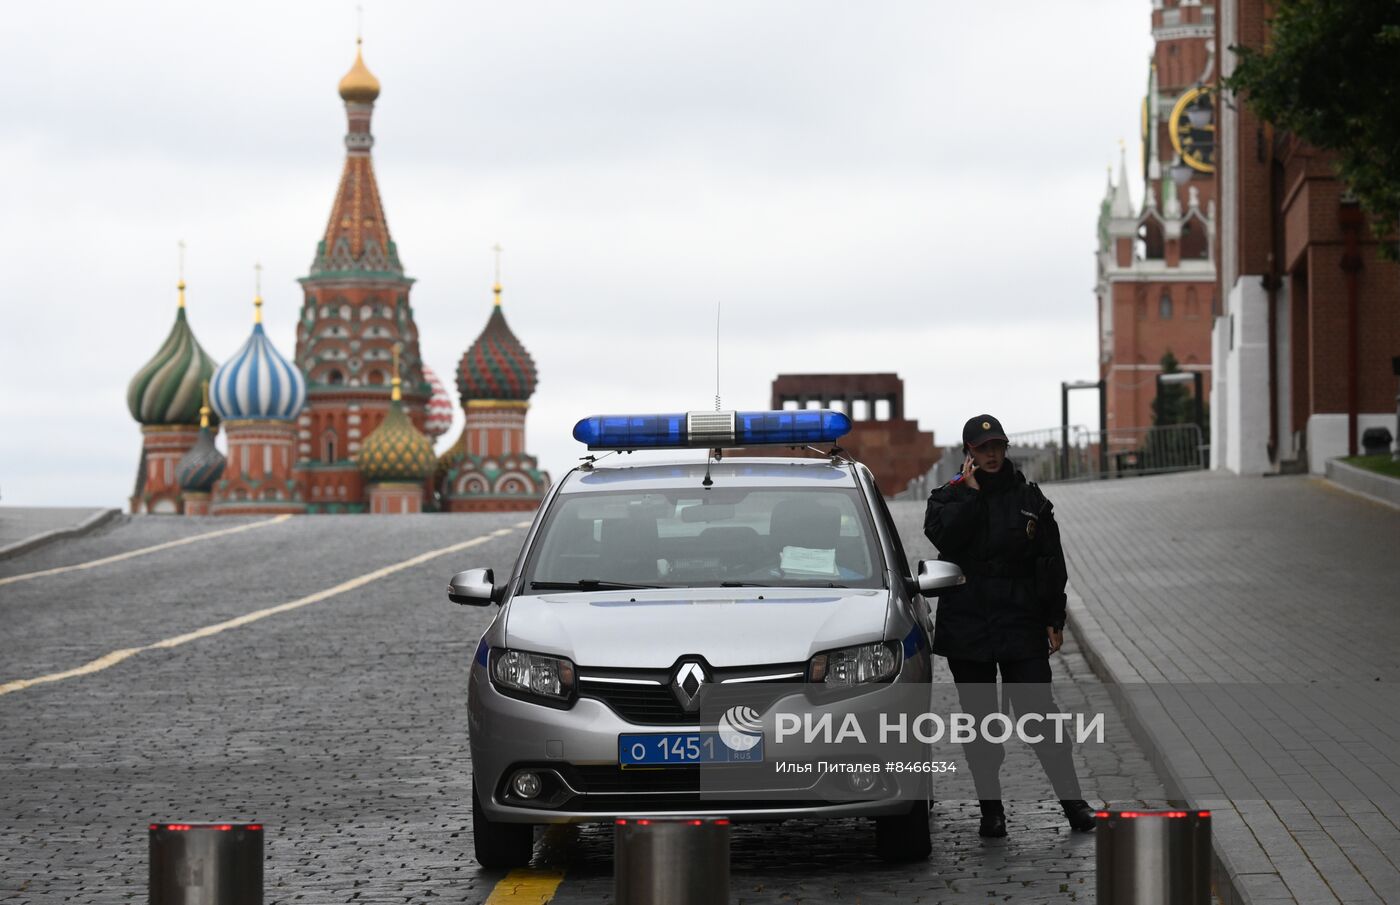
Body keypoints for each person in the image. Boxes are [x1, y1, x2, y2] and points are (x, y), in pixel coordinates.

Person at [923, 414, 1096, 837]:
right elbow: (947, 540)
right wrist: (970, 495)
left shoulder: (1029, 498)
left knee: (1040, 716)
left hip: (1020, 618)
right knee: (981, 723)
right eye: (983, 449)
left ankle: (1073, 803)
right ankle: (991, 810)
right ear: (969, 454)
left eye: (997, 447)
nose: (992, 455)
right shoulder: (947, 498)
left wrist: (1054, 617)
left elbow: (1051, 562)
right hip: (969, 622)